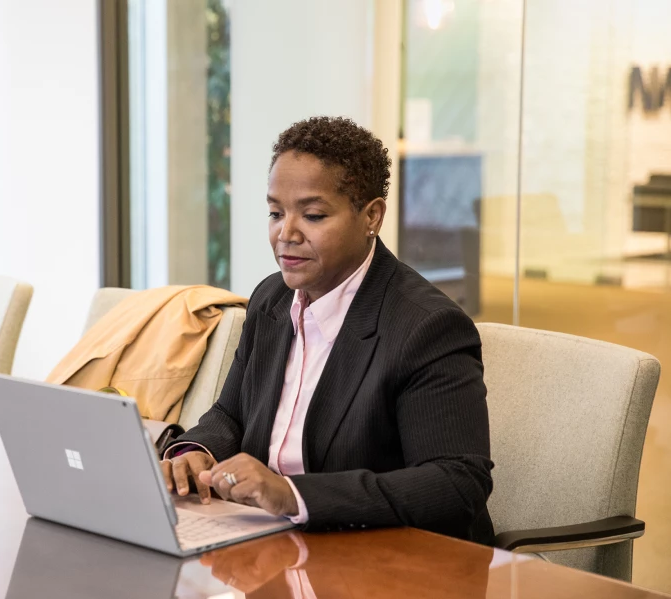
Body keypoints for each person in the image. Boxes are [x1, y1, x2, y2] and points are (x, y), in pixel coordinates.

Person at [161, 116, 494, 544]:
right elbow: (232, 414)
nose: (286, 233)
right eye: (275, 213)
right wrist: (195, 452)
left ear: (371, 216)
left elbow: (456, 483)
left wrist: (293, 495)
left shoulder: (426, 327)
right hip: (271, 542)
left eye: (313, 215)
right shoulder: (272, 300)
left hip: (382, 554)